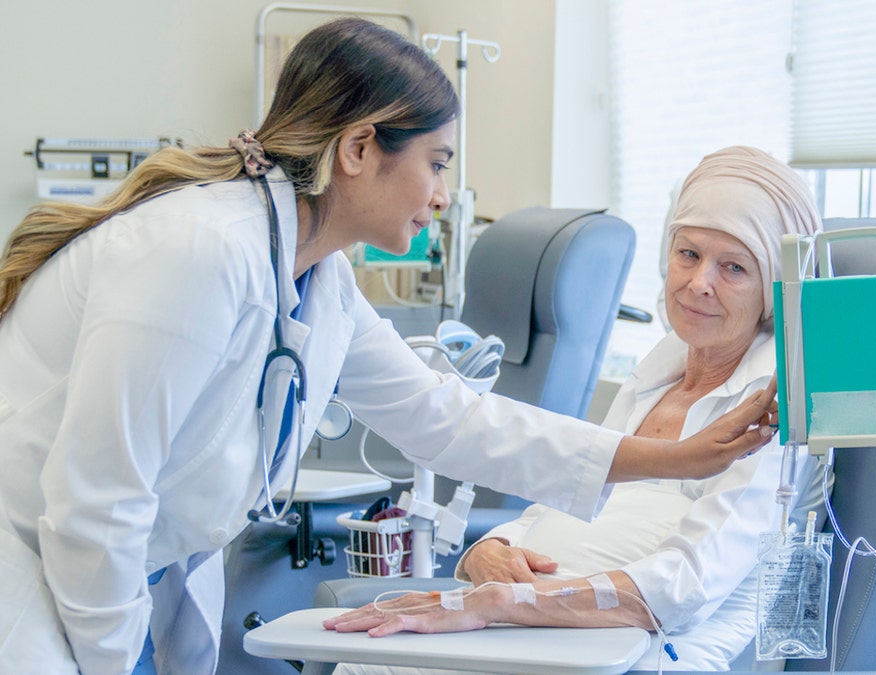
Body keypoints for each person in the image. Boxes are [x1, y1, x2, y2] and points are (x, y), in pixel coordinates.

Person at [0, 20, 778, 675]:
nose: (442, 195)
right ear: (359, 148)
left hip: (110, 574)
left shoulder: (322, 280)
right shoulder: (199, 252)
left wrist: (677, 457)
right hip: (32, 572)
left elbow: (448, 419)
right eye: (435, 163)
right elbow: (97, 505)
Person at [323, 145, 826, 672]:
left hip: (637, 650)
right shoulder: (658, 374)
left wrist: (504, 601)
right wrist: (489, 550)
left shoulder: (774, 408)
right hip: (540, 625)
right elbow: (573, 491)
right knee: (367, 663)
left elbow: (686, 585)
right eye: (688, 254)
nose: (699, 283)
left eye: (734, 268)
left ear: (772, 289)